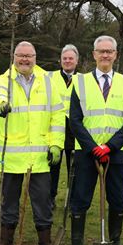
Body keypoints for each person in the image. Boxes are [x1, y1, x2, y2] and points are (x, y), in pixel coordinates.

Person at [0, 42, 65, 245]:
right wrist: (0, 104)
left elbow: (57, 115)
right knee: (8, 201)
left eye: (29, 56)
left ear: (35, 57)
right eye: (21, 56)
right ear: (14, 57)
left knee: (43, 201)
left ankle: (45, 244)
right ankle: (5, 242)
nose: (25, 60)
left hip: (39, 157)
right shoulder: (2, 82)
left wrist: (56, 144)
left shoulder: (47, 82)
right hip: (11, 157)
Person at [68, 35, 123, 245]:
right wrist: (93, 147)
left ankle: (116, 244)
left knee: (117, 200)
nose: (105, 55)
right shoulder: (80, 82)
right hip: (87, 154)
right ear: (94, 54)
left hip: (116, 154)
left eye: (110, 51)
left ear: (116, 55)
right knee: (80, 199)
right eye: (101, 51)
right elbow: (75, 121)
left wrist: (109, 146)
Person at [47, 44, 78, 210]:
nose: (67, 61)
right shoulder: (50, 77)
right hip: (56, 128)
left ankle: (72, 199)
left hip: (75, 128)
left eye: (70, 58)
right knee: (53, 165)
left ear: (76, 61)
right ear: (60, 61)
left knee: (74, 166)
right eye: (64, 58)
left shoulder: (83, 80)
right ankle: (50, 197)